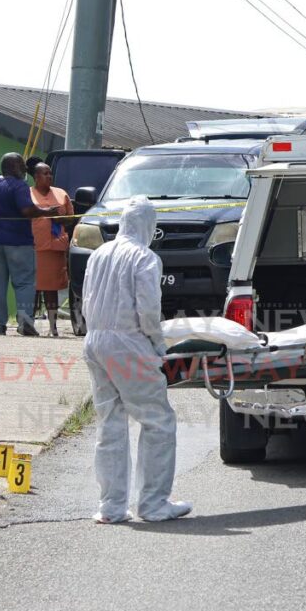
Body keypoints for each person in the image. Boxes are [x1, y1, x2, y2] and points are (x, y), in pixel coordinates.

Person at [83, 197, 191, 523]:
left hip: (95, 341)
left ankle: (111, 507)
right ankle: (154, 504)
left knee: (110, 424)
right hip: (127, 343)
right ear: (148, 225)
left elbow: (86, 298)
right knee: (157, 421)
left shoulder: (98, 254)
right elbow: (147, 310)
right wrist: (159, 346)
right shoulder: (145, 257)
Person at [0, 153, 58, 336]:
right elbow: (27, 210)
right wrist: (46, 211)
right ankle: (25, 322)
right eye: (22, 166)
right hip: (19, 242)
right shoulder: (19, 185)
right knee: (24, 283)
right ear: (13, 167)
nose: (26, 170)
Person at [30, 163, 74, 337]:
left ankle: (53, 327)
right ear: (36, 177)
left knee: (51, 288)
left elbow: (71, 219)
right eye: (45, 173)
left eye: (50, 173)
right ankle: (29, 324)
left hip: (55, 248)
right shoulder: (27, 194)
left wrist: (61, 220)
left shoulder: (61, 193)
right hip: (33, 247)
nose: (49, 176)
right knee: (33, 289)